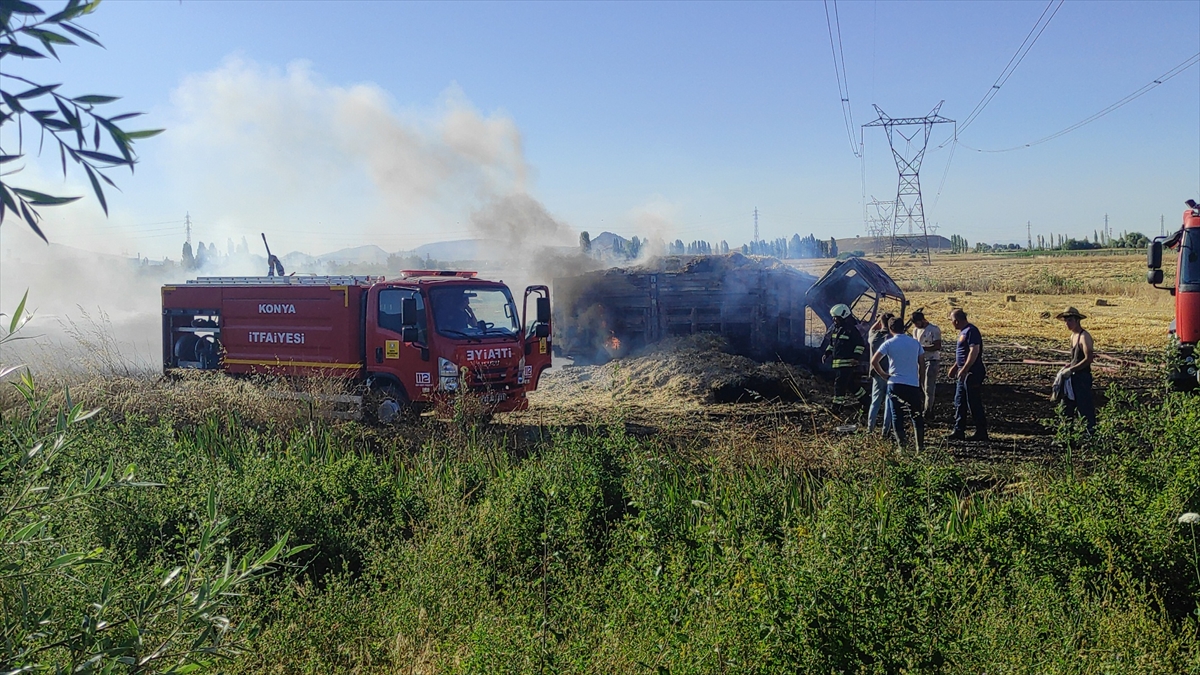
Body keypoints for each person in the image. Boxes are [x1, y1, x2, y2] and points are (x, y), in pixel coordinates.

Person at [871, 316, 926, 451]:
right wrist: (920, 381)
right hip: (912, 383)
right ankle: (920, 447)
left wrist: (883, 374)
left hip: (895, 383)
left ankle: (902, 447)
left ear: (890, 329)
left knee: (897, 415)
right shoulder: (915, 343)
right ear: (903, 328)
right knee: (916, 415)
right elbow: (922, 364)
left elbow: (874, 361)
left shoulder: (889, 343)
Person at [947, 308, 987, 441]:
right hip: (963, 372)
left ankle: (981, 432)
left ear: (956, 321)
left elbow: (974, 351)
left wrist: (965, 369)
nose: (951, 323)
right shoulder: (963, 332)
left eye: (951, 320)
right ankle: (959, 430)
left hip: (972, 372)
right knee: (959, 401)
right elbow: (963, 353)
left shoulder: (971, 331)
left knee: (973, 402)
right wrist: (955, 367)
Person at [1055, 306, 1096, 431]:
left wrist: (1072, 369)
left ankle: (1090, 434)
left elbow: (1088, 359)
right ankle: (1067, 434)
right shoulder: (1073, 336)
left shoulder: (1084, 337)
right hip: (1072, 378)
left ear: (1077, 320)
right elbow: (1076, 358)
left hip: (1082, 378)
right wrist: (1069, 366)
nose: (1067, 323)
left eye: (1070, 320)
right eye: (1066, 321)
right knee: (1066, 407)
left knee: (1084, 409)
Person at [824, 303, 870, 412]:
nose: (834, 320)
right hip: (838, 363)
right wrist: (827, 353)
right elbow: (832, 344)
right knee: (851, 385)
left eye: (836, 318)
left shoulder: (852, 331)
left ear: (843, 317)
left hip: (847, 363)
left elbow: (860, 345)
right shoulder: (836, 330)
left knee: (839, 385)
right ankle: (866, 401)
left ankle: (837, 407)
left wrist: (855, 358)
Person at [867, 312, 895, 435]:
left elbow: (872, 329)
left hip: (877, 373)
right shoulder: (892, 338)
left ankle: (870, 429)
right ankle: (885, 431)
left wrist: (878, 321)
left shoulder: (873, 336)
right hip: (890, 374)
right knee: (889, 402)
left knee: (875, 402)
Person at [910, 311, 942, 413]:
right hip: (920, 360)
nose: (916, 326)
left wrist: (922, 348)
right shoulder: (916, 330)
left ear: (923, 320)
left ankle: (928, 410)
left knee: (929, 387)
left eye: (917, 323)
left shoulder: (933, 329)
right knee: (921, 385)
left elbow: (937, 346)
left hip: (932, 359)